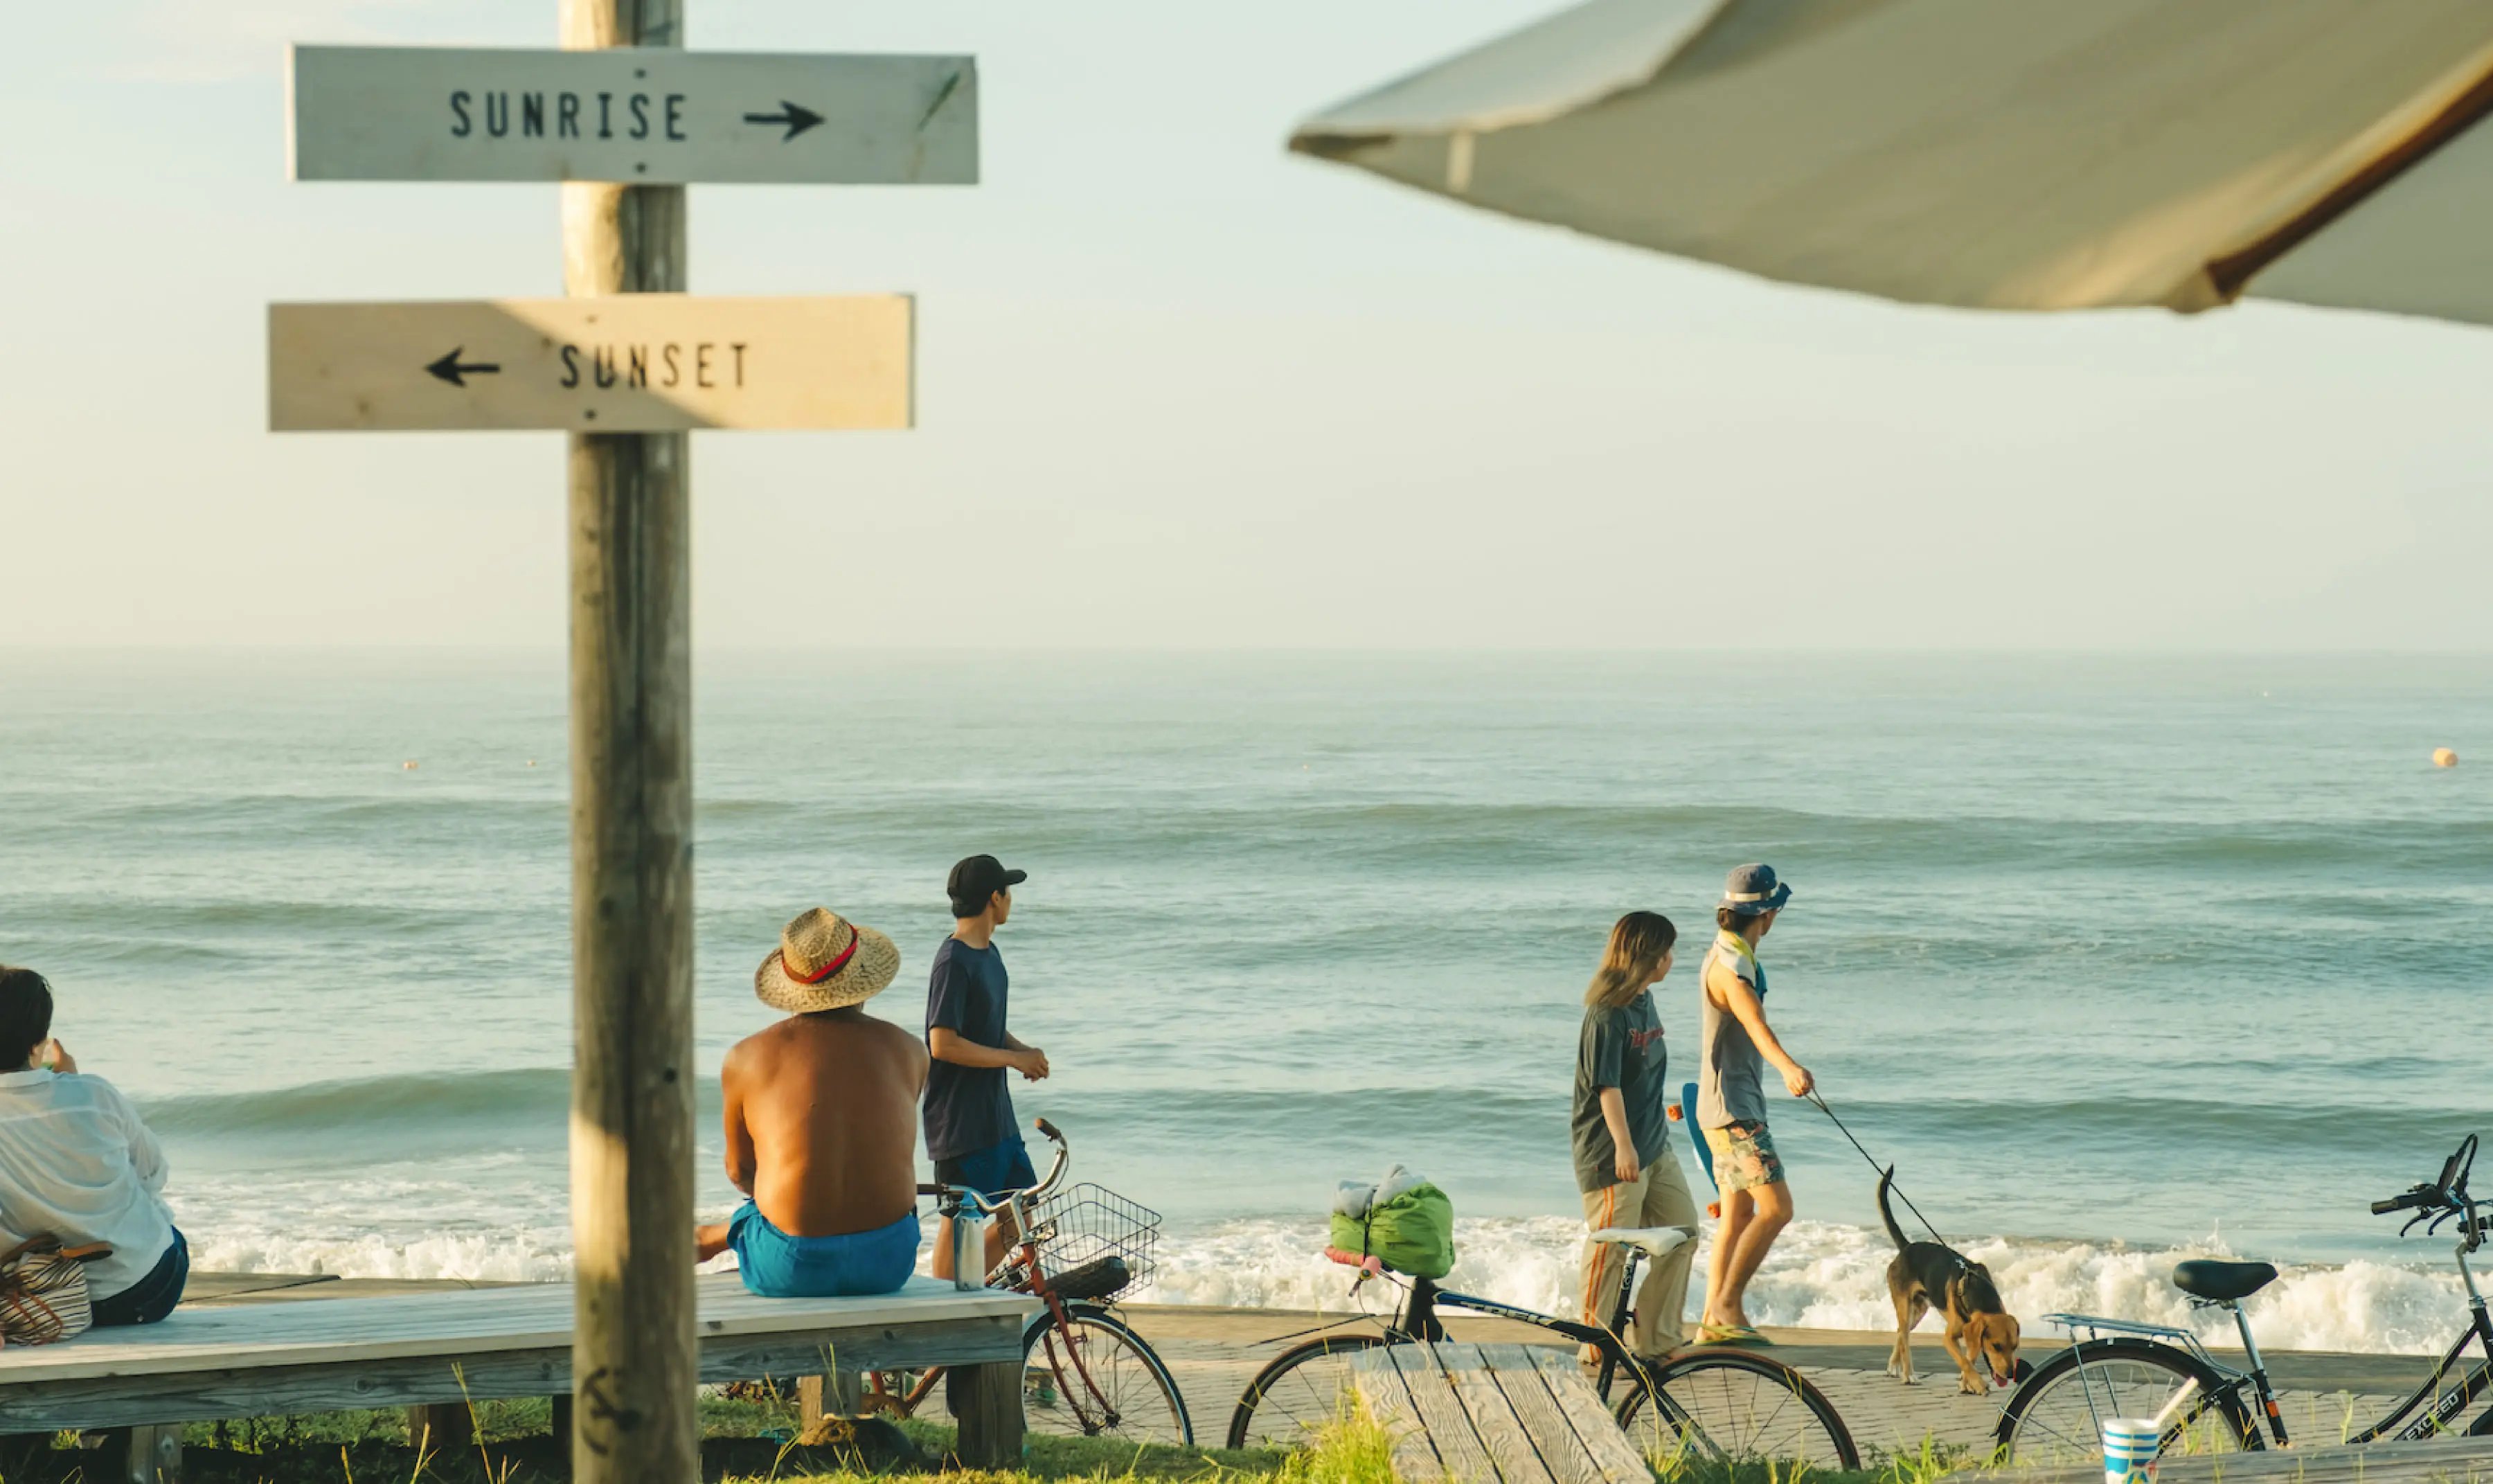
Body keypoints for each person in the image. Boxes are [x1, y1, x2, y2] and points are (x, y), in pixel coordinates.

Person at [695, 908, 927, 1298]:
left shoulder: (745, 1057)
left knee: (754, 1214)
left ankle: (719, 1236)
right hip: (889, 1262)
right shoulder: (911, 1051)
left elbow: (740, 1170)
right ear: (864, 980)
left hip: (792, 1267)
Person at [0, 965, 188, 1325]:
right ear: (38, 1040)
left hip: (37, 1300)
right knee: (159, 1218)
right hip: (142, 1290)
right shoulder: (93, 1094)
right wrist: (72, 1085)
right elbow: (153, 1174)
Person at [1572, 911, 1700, 1364]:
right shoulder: (1606, 1013)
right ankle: (1596, 1343)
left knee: (1682, 1231)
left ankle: (1657, 1338)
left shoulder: (1644, 1000)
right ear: (1647, 957)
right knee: (1610, 1246)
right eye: (1666, 950)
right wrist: (1624, 1145)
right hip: (1612, 1152)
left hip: (1654, 1143)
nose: (1671, 959)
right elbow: (1607, 1087)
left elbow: (1644, 1074)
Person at [1695, 864, 1814, 1346]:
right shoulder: (1731, 969)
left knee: (1738, 1214)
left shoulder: (1730, 953)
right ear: (1765, 914)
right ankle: (1727, 1304)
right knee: (1777, 1208)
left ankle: (1710, 1321)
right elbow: (1755, 1024)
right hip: (1735, 1108)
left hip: (1724, 1103)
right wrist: (1789, 1068)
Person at [924, 854, 1049, 1282]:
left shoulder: (989, 954)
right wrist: (1014, 1059)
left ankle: (969, 1285)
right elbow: (942, 1043)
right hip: (960, 1125)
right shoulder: (953, 962)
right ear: (994, 898)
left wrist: (1022, 1051)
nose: (1011, 900)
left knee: (1025, 1210)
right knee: (960, 1229)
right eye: (1008, 892)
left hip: (996, 1119)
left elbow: (986, 1027)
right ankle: (948, 1301)